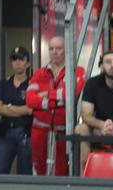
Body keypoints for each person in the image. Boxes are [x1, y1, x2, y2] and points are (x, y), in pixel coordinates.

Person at [25, 35, 85, 176]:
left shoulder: (77, 71)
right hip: (39, 130)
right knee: (39, 171)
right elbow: (30, 100)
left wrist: (45, 95)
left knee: (62, 171)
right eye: (51, 49)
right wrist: (55, 101)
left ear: (66, 50)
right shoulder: (39, 73)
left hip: (63, 131)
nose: (54, 52)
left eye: (59, 48)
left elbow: (70, 94)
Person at [0, 46, 34, 175]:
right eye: (14, 59)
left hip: (25, 132)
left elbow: (31, 109)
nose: (17, 62)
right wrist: (21, 110)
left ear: (28, 63)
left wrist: (8, 107)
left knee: (24, 173)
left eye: (21, 59)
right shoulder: (4, 83)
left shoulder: (33, 83)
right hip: (5, 132)